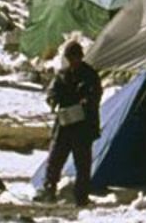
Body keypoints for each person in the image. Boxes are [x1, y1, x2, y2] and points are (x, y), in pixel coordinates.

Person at [36, 40, 103, 205]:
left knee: (82, 163)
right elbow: (52, 91)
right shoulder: (62, 74)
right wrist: (53, 101)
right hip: (65, 124)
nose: (73, 61)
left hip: (82, 126)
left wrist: (84, 104)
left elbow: (94, 96)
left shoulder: (90, 75)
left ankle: (81, 196)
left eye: (75, 57)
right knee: (55, 159)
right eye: (70, 58)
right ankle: (49, 189)